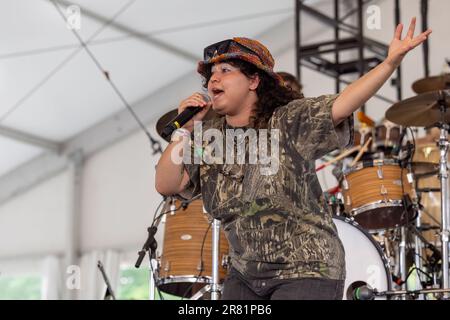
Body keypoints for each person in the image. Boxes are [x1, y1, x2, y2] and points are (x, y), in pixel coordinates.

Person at [155, 18, 431, 300]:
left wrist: (389, 63)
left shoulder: (289, 120)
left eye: (226, 70)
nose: (214, 79)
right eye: (211, 73)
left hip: (306, 267)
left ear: (253, 80)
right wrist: (184, 132)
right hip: (245, 274)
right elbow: (166, 184)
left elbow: (344, 102)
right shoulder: (209, 136)